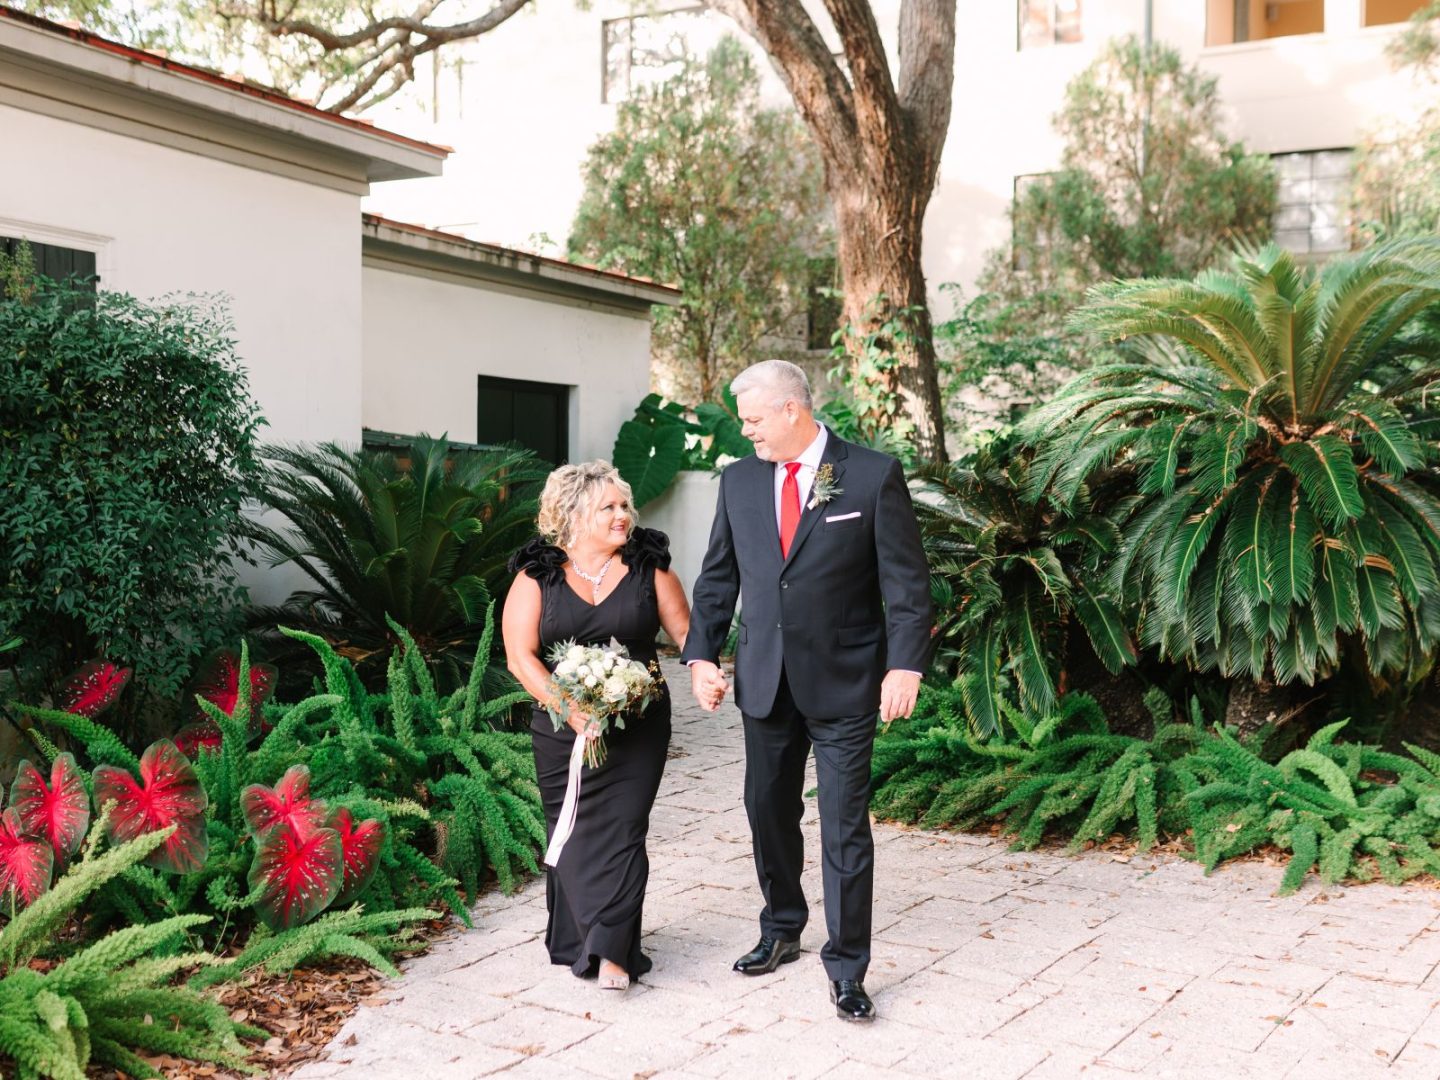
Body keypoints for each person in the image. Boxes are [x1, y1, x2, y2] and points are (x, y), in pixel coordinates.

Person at [682, 359, 933, 1022]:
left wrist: (904, 665)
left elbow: (906, 585)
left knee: (844, 827)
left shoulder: (871, 475)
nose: (747, 433)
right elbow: (717, 582)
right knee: (767, 811)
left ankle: (848, 967)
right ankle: (782, 926)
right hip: (764, 682)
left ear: (792, 410)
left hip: (847, 682)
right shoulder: (737, 483)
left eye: (755, 419)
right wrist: (701, 655)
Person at [503, 461, 691, 991]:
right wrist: (567, 704)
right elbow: (521, 658)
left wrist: (706, 674)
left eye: (624, 506)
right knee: (574, 833)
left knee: (625, 830)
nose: (622, 516)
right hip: (562, 731)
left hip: (639, 727)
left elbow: (687, 635)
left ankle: (613, 950)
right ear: (574, 513)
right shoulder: (535, 577)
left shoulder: (649, 570)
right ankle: (573, 935)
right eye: (608, 507)